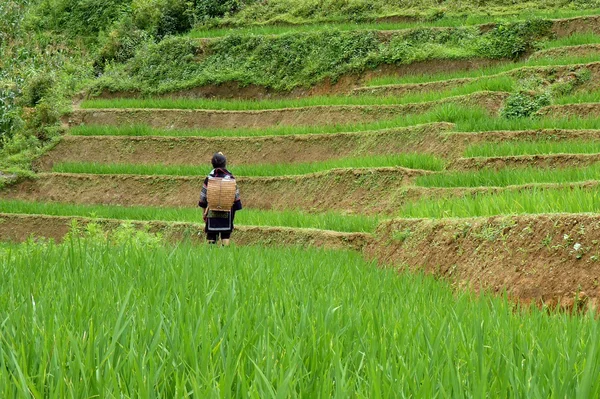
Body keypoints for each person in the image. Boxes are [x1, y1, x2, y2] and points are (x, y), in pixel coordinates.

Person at [198, 152, 242, 246]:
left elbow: (203, 198)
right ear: (225, 164)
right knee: (225, 236)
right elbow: (236, 198)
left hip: (212, 211)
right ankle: (225, 253)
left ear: (212, 164)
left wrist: (204, 213)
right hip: (227, 212)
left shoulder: (209, 178)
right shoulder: (230, 177)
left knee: (211, 236)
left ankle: (211, 254)